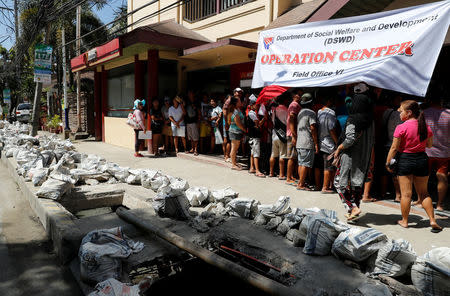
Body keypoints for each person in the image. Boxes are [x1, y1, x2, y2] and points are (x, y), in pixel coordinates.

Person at [386, 100, 442, 232]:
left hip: (405, 159)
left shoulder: (401, 127)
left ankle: (404, 221)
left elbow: (394, 148)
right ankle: (432, 220)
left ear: (409, 113)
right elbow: (429, 145)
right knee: (423, 193)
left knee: (406, 194)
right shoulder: (425, 127)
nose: (399, 113)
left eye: (401, 110)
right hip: (422, 159)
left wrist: (388, 162)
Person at [333, 93, 374, 222]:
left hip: (350, 157)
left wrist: (339, 148)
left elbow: (349, 139)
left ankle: (352, 207)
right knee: (356, 185)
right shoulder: (370, 121)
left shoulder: (353, 119)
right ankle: (353, 213)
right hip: (363, 156)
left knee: (339, 183)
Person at [423, 96, 450, 211]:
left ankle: (421, 200)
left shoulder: (424, 113)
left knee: (423, 178)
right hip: (444, 152)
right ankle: (439, 204)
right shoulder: (449, 114)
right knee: (442, 177)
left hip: (426, 151)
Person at [380, 94, 402, 202]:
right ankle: (397, 195)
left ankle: (385, 192)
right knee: (394, 170)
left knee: (388, 169)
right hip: (394, 145)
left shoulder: (387, 112)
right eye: (398, 99)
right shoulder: (399, 114)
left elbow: (383, 126)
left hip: (388, 144)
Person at [295, 93, 319, 190]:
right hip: (307, 142)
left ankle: (301, 182)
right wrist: (316, 143)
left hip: (300, 142)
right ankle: (301, 184)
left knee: (301, 163)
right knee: (305, 164)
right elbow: (313, 128)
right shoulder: (311, 113)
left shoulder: (300, 112)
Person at [318, 94, 338, 194]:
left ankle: (329, 185)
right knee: (328, 167)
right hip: (328, 144)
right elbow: (331, 129)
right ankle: (325, 187)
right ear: (329, 101)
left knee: (327, 166)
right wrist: (337, 142)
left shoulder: (319, 112)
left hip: (321, 142)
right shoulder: (331, 113)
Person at [269, 95, 289, 179]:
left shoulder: (274, 109)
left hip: (274, 134)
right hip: (282, 134)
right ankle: (281, 174)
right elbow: (287, 123)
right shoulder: (286, 110)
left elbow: (272, 120)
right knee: (282, 155)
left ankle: (271, 172)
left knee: (273, 155)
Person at [286, 90, 302, 185]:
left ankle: (290, 176)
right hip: (292, 134)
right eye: (297, 94)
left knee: (293, 157)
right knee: (291, 157)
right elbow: (292, 119)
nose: (299, 96)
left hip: (292, 133)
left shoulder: (294, 104)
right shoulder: (294, 105)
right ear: (293, 95)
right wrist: (294, 135)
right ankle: (288, 178)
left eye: (300, 94)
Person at [247, 96, 265, 178]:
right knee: (256, 154)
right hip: (254, 137)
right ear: (252, 105)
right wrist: (265, 118)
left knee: (252, 153)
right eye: (256, 104)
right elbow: (258, 125)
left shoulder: (251, 113)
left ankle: (252, 167)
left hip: (252, 136)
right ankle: (257, 171)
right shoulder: (252, 113)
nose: (258, 106)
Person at [227, 97, 246, 170]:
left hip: (236, 131)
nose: (241, 102)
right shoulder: (235, 111)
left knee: (235, 148)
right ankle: (233, 164)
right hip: (235, 131)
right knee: (234, 148)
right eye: (239, 101)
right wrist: (244, 130)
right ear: (236, 103)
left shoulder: (237, 110)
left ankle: (234, 162)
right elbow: (238, 123)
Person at [185, 91, 200, 155]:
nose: (190, 95)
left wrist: (198, 121)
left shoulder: (196, 102)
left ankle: (196, 150)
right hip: (188, 122)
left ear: (193, 94)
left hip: (194, 121)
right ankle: (192, 148)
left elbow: (199, 112)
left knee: (195, 137)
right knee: (190, 137)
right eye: (189, 94)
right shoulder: (187, 102)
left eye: (191, 94)